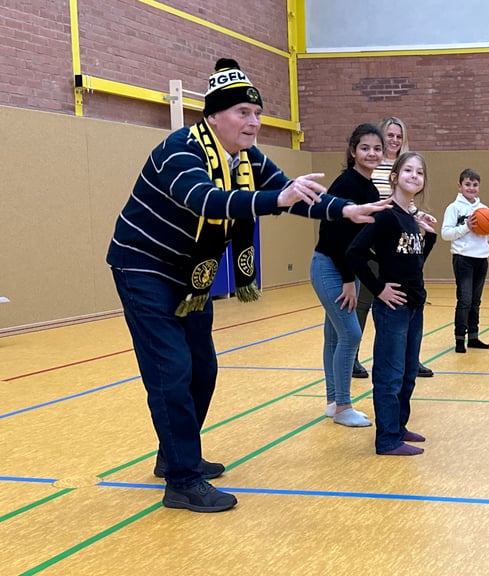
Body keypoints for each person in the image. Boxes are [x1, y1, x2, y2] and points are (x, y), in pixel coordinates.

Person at [106, 58, 388, 512]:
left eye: (257, 114)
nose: (254, 122)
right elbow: (206, 199)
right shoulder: (180, 150)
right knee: (172, 370)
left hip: (187, 272)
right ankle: (182, 479)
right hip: (144, 266)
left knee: (203, 368)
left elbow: (295, 190)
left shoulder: (246, 158)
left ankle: (175, 454)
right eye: (242, 112)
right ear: (213, 116)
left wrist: (344, 211)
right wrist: (277, 199)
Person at [348, 152, 437, 456]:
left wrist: (431, 238)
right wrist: (378, 289)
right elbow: (355, 253)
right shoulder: (385, 215)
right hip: (392, 308)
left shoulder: (410, 219)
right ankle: (386, 439)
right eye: (408, 170)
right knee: (390, 373)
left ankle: (398, 427)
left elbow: (414, 263)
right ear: (395, 176)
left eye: (420, 172)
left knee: (409, 371)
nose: (414, 175)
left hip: (414, 305)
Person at [311, 123, 386, 427]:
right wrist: (346, 280)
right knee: (351, 333)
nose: (371, 153)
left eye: (377, 148)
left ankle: (332, 401)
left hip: (346, 268)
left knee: (334, 335)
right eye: (365, 147)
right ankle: (343, 406)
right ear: (353, 151)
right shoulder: (346, 184)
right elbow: (335, 234)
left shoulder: (369, 187)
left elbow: (367, 236)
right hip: (330, 266)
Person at [353, 117, 434, 378]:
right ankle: (355, 356)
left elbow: (405, 206)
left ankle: (412, 358)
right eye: (390, 135)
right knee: (367, 302)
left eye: (399, 136)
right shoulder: (376, 168)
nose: (394, 140)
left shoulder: (408, 165)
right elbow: (382, 205)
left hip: (398, 239)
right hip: (377, 239)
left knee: (408, 302)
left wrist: (418, 217)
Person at [441, 168, 489, 353]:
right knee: (464, 300)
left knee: (476, 301)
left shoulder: (484, 210)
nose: (471, 188)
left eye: (475, 185)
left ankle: (473, 337)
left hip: (481, 258)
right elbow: (446, 234)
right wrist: (466, 227)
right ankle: (459, 339)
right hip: (463, 259)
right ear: (460, 186)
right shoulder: (454, 208)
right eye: (467, 184)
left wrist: (488, 227)